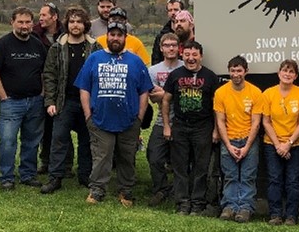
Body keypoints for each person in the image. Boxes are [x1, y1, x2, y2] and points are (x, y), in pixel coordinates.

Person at [76, 18, 152, 206]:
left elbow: (144, 91)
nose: (115, 38)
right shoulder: (94, 58)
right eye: (112, 34)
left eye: (119, 35)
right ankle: (97, 189)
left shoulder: (136, 61)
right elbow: (84, 88)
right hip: (100, 119)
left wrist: (139, 117)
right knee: (101, 156)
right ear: (107, 36)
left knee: (127, 156)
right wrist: (88, 115)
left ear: (125, 37)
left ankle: (126, 191)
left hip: (129, 120)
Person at [39, 6, 103, 194]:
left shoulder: (95, 47)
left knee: (87, 140)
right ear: (67, 24)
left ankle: (85, 175)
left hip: (88, 102)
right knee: (59, 139)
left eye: (79, 22)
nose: (75, 25)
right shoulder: (57, 47)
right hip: (64, 101)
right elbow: (49, 75)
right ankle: (55, 177)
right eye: (72, 21)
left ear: (85, 25)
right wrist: (50, 101)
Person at [0, 7, 46, 190]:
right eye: (20, 22)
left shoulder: (37, 45)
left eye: (28, 22)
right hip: (11, 102)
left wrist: (42, 93)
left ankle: (28, 174)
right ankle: (7, 177)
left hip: (35, 101)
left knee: (32, 141)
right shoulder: (3, 44)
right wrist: (3, 97)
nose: (24, 26)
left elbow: (44, 72)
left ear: (32, 23)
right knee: (7, 141)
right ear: (12, 22)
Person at [162, 40, 221, 216]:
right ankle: (182, 202)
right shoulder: (175, 75)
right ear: (182, 55)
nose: (191, 58)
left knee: (201, 167)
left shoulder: (210, 76)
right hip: (180, 125)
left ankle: (197, 203)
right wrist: (167, 126)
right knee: (180, 166)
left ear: (201, 56)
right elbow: (166, 101)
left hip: (203, 127)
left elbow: (217, 106)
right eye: (187, 55)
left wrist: (216, 130)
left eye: (194, 55)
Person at [214, 56, 264, 222]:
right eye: (233, 71)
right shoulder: (221, 93)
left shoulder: (255, 92)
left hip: (249, 139)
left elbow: (256, 123)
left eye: (239, 71)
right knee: (230, 175)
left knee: (248, 176)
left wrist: (247, 146)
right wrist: (228, 145)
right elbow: (220, 121)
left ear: (246, 71)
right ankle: (229, 207)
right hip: (229, 139)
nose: (236, 74)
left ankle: (245, 208)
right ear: (229, 72)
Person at [260, 59, 299, 226]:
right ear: (278, 73)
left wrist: (288, 143)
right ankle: (275, 215)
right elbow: (266, 122)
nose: (287, 74)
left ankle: (291, 216)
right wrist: (278, 145)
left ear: (295, 76)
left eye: (291, 72)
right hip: (272, 143)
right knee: (274, 179)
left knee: (293, 181)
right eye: (284, 71)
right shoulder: (268, 94)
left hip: (296, 144)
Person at [146, 32, 183, 206]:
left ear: (179, 48)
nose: (171, 48)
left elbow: (186, 95)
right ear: (161, 48)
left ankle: (178, 190)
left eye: (174, 45)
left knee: (180, 160)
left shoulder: (186, 66)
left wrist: (165, 93)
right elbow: (153, 97)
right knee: (154, 156)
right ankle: (161, 188)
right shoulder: (153, 71)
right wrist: (174, 92)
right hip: (162, 120)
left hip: (182, 121)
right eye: (167, 45)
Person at [30, 1, 62, 173]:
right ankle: (45, 161)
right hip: (41, 85)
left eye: (44, 15)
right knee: (44, 127)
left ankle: (63, 163)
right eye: (40, 15)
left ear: (54, 17)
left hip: (62, 84)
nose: (40, 18)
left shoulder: (64, 33)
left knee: (61, 127)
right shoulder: (34, 34)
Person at [151, 0, 184, 65]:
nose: (173, 13)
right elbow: (156, 60)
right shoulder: (161, 36)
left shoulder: (189, 34)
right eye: (170, 10)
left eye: (176, 10)